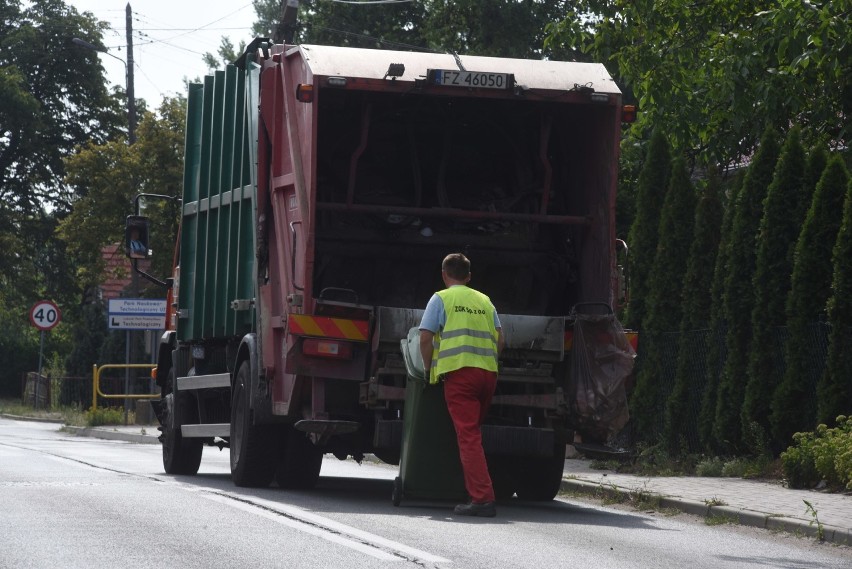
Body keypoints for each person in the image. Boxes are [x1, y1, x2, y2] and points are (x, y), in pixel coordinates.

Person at [419, 253, 504, 517]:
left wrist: (428, 368)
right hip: (487, 374)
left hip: (460, 375)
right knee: (473, 434)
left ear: (444, 274)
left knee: (468, 437)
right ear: (469, 277)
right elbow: (501, 340)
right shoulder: (485, 300)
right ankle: (475, 490)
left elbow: (424, 338)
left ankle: (482, 499)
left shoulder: (441, 298)